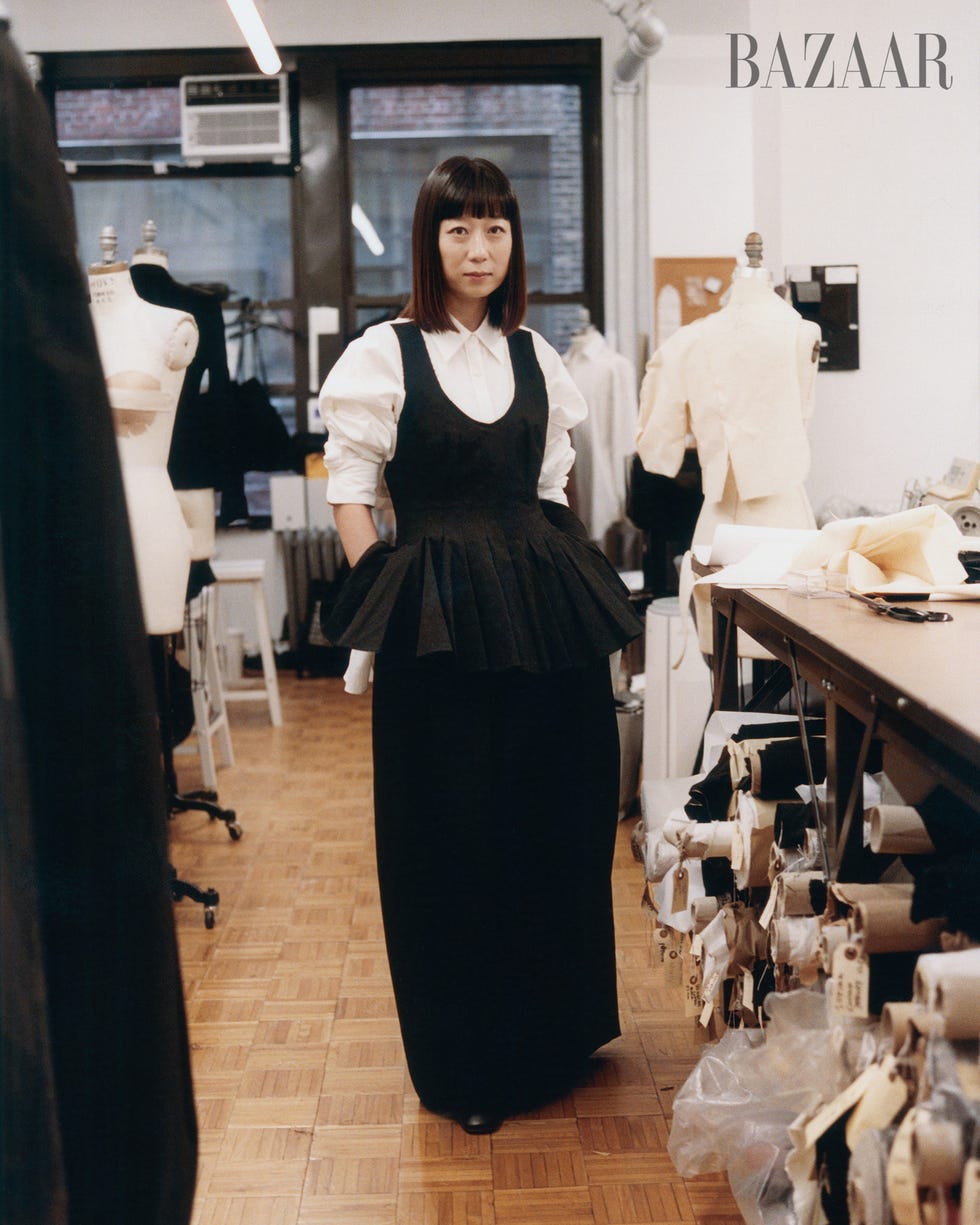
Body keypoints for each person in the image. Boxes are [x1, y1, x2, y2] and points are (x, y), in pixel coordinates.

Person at [318, 156, 643, 1135]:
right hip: (439, 624)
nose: (478, 248)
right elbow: (349, 491)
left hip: (541, 606)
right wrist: (386, 601)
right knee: (450, 835)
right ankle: (467, 1062)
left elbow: (550, 495)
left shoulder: (537, 358)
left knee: (555, 813)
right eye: (458, 229)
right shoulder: (384, 354)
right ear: (430, 240)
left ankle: (554, 1033)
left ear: (513, 243)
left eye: (495, 229)